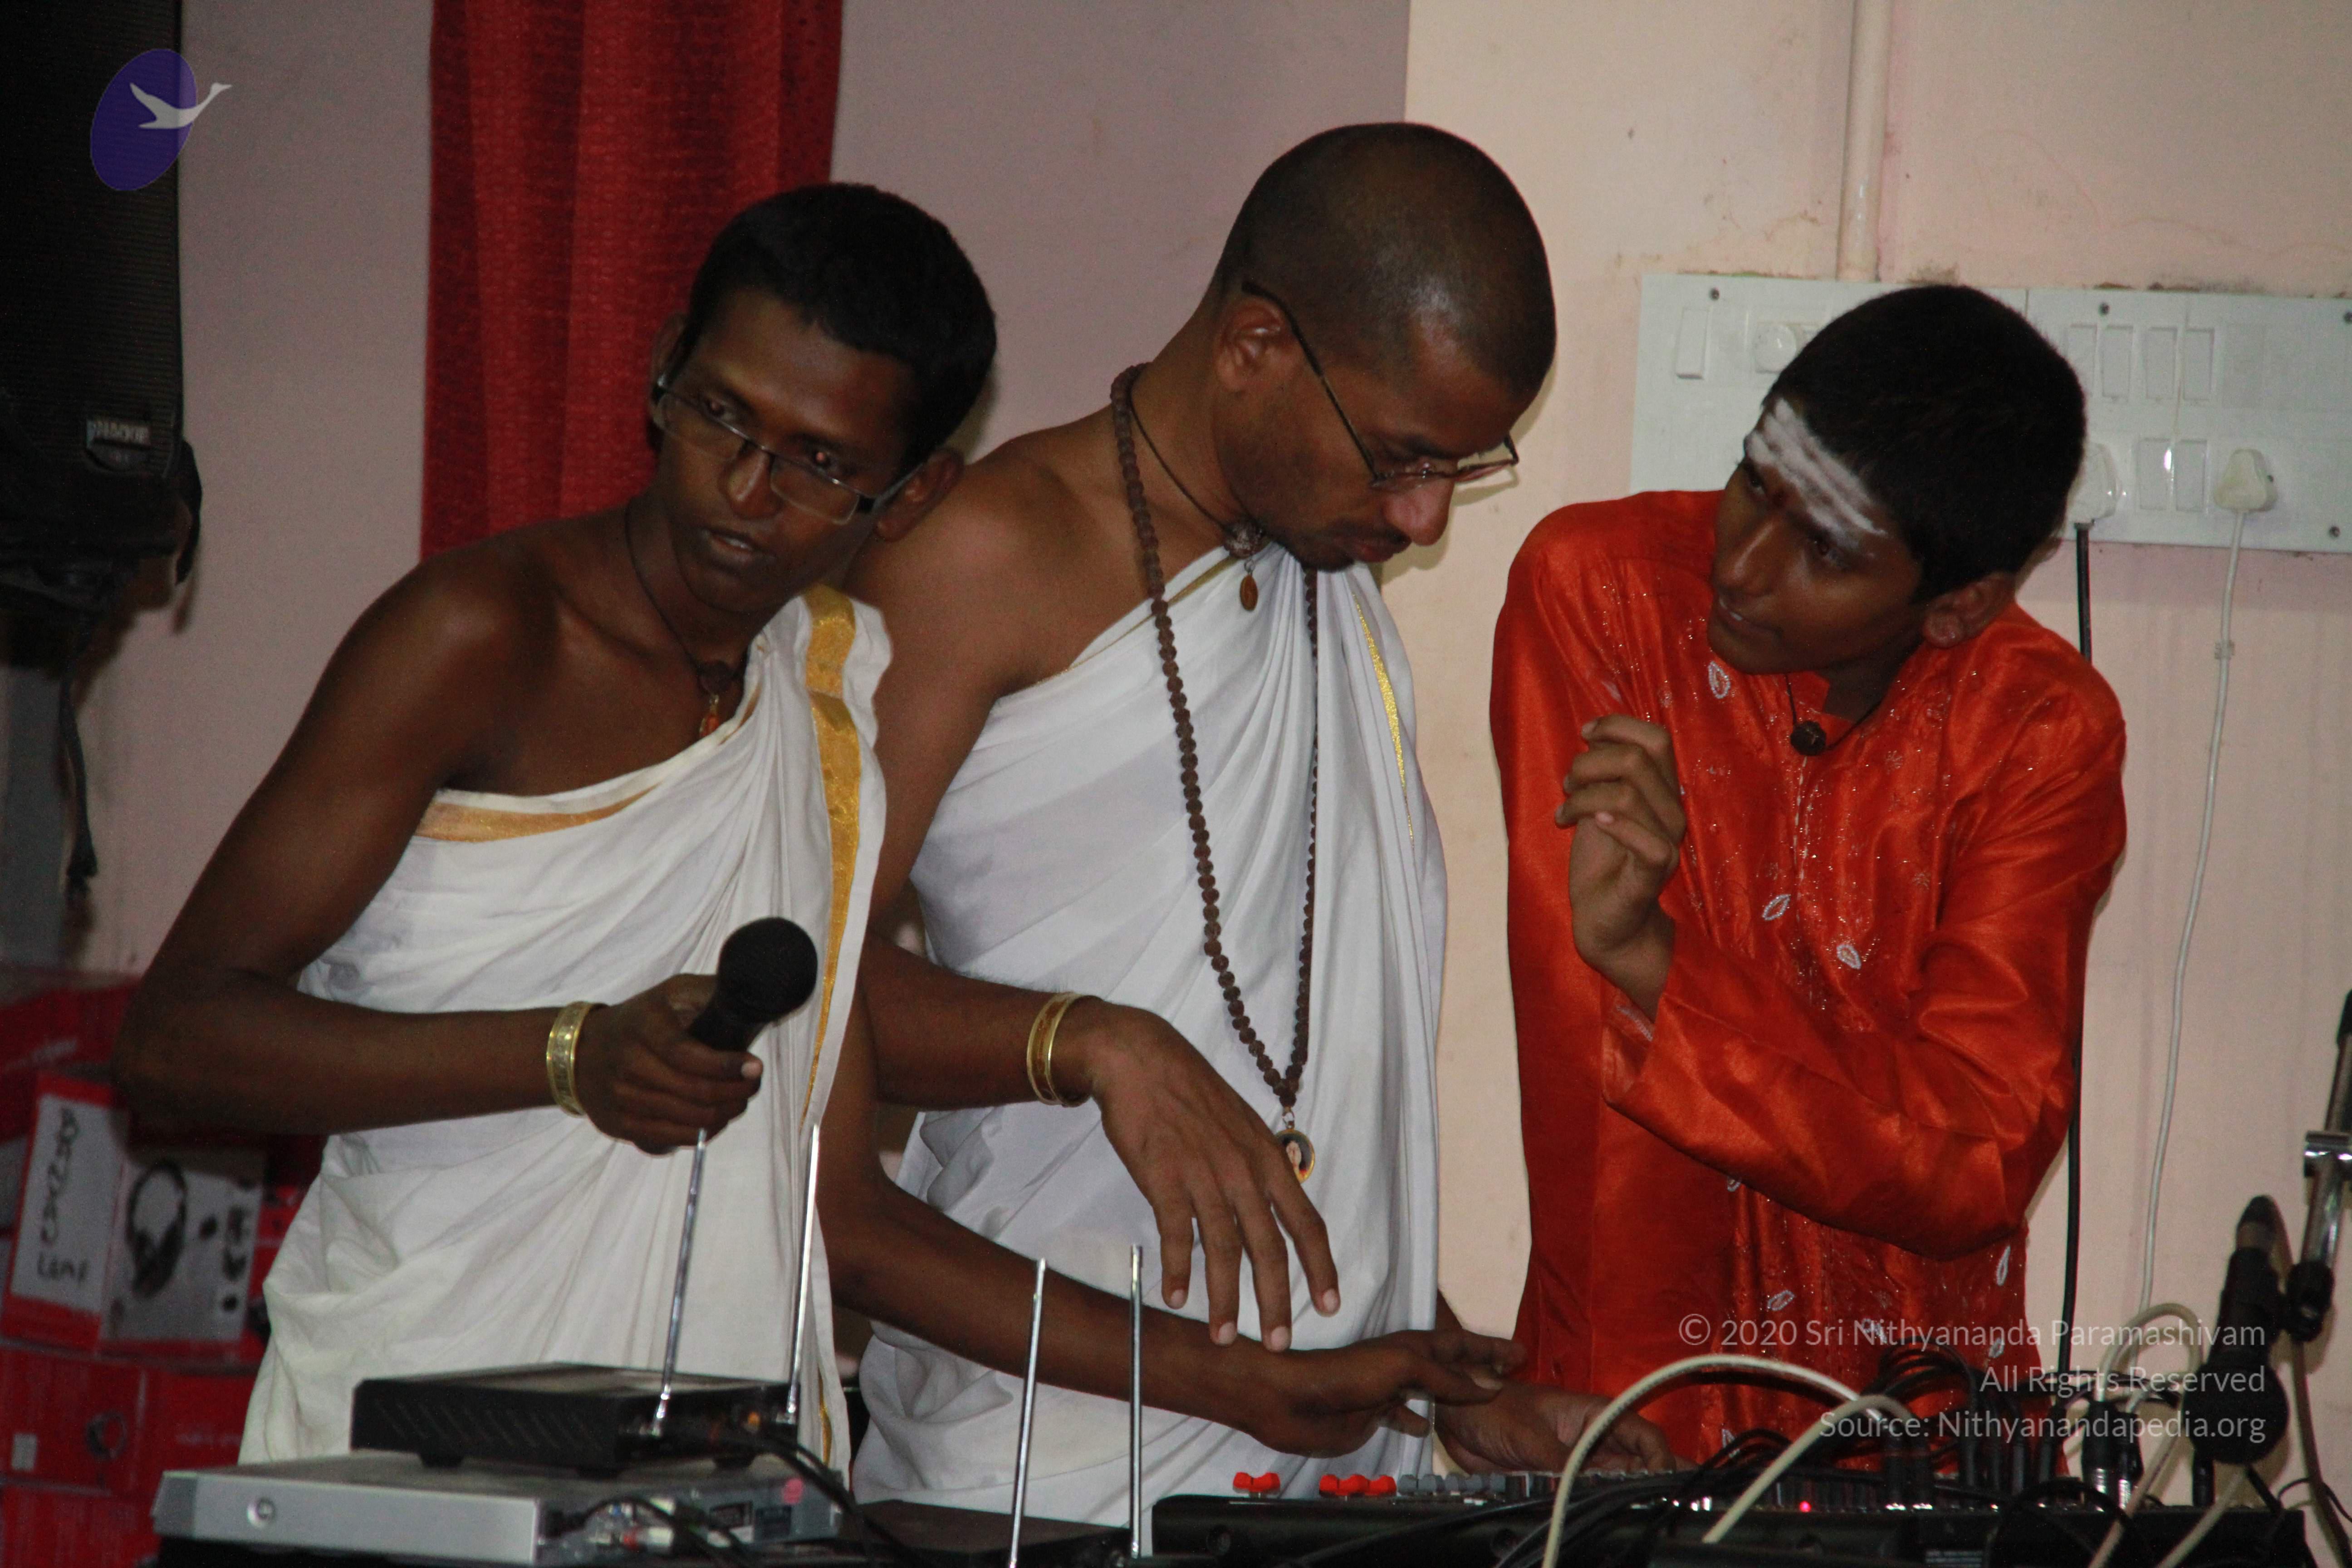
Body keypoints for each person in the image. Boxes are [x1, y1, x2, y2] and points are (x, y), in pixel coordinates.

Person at [827, 123, 1669, 1529]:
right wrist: (1090, 1041)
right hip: (1039, 1479)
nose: (1423, 518)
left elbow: (1291, 1081)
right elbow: (788, 1006)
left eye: (1461, 469)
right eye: (1401, 457)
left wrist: (1446, 1386)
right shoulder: (983, 557)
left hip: (1335, 1477)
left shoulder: (1325, 577)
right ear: (1256, 345)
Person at [114, 184, 993, 1463]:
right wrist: (569, 1053)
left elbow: (836, 1186)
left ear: (908, 497)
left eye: (820, 465)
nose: (746, 490)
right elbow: (174, 1041)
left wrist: (1214, 1369)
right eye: (722, 414)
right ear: (663, 370)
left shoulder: (827, 691)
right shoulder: (480, 637)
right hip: (410, 1445)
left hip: (715, 1462)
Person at [1492, 284, 2127, 1456]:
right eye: (1754, 482)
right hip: (1628, 1400)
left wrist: (1657, 962)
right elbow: (1590, 1051)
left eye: (1824, 549)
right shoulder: (1602, 591)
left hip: (1916, 1416)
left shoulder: (2038, 730)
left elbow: (1979, 1155)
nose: (1741, 566)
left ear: (1959, 607)